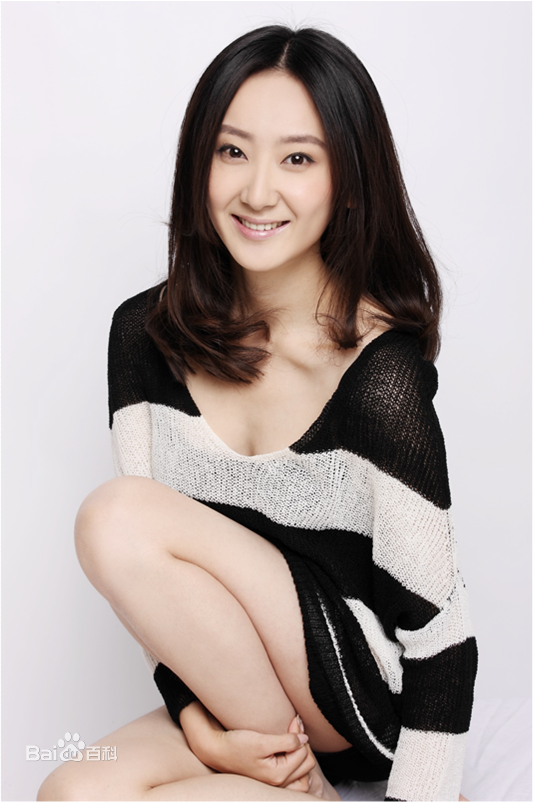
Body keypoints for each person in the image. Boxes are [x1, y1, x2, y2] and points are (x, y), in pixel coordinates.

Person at [37, 25, 477, 802]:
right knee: (73, 790)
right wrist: (197, 724)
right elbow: (159, 595)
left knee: (114, 516)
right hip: (233, 702)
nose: (257, 191)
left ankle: (304, 777)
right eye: (232, 151)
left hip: (356, 705)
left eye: (297, 159)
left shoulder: (379, 376)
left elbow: (440, 639)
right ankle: (296, 784)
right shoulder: (142, 337)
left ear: (349, 182)